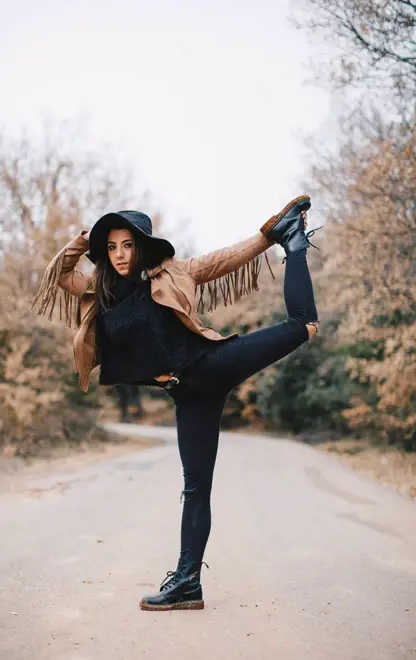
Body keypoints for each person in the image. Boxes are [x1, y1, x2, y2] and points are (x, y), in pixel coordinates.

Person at [33, 195, 320, 612]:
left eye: (126, 245)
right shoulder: (101, 291)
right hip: (187, 396)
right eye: (110, 247)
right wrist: (83, 242)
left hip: (212, 364)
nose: (118, 255)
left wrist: (267, 237)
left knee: (301, 326)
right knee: (195, 488)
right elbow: (59, 275)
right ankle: (188, 584)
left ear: (143, 244)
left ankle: (294, 245)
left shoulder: (173, 273)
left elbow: (228, 259)